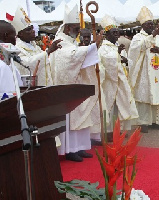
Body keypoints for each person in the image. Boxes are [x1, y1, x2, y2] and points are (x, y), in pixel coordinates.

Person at [50, 4, 104, 162]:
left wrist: (91, 49)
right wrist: (93, 47)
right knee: (71, 118)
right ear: (67, 28)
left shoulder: (71, 41)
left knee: (81, 115)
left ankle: (80, 147)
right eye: (76, 28)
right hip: (67, 89)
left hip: (76, 85)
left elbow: (77, 55)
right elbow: (69, 58)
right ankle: (70, 150)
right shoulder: (61, 41)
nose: (79, 31)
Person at [128, 6, 159, 133]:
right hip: (144, 72)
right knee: (144, 95)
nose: (150, 26)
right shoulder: (138, 37)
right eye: (148, 24)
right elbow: (134, 50)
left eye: (152, 24)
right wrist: (151, 37)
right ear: (143, 25)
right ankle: (143, 122)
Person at [98, 15, 138, 136]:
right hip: (110, 83)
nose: (116, 35)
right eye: (113, 32)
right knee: (111, 107)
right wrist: (118, 56)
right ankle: (109, 132)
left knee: (121, 105)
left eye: (117, 32)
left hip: (121, 81)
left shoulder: (117, 47)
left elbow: (126, 62)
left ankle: (120, 129)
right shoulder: (103, 48)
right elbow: (106, 63)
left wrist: (124, 61)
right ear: (107, 34)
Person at [8, 6, 61, 86]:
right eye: (29, 29)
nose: (33, 31)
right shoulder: (16, 49)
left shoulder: (35, 46)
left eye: (32, 28)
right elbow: (27, 64)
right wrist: (48, 51)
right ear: (20, 34)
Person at [0, 20, 23, 93]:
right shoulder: (3, 67)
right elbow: (10, 97)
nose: (16, 41)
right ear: (6, 36)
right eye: (14, 36)